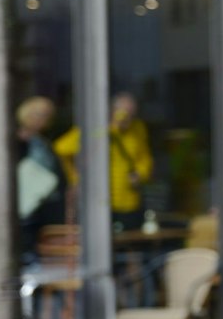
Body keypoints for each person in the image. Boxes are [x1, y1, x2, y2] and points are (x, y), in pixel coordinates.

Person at [54, 91, 153, 232]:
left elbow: (144, 158)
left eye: (132, 113)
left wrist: (140, 174)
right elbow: (62, 149)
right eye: (125, 112)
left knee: (130, 239)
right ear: (113, 110)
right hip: (101, 200)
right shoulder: (96, 127)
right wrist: (75, 178)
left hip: (129, 199)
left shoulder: (138, 128)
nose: (128, 118)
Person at [15, 96, 68, 263]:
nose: (44, 120)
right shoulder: (19, 141)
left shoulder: (43, 141)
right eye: (40, 114)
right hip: (27, 207)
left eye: (47, 115)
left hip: (47, 205)